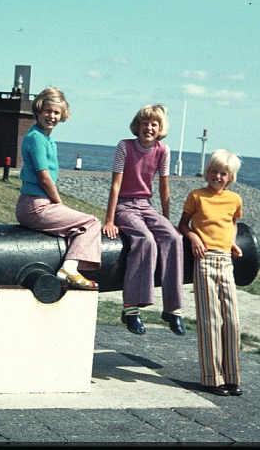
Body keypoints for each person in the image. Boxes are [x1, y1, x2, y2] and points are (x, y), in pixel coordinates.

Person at [103, 105, 185, 336]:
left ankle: (173, 309)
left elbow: (164, 188)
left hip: (146, 206)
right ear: (137, 126)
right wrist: (110, 219)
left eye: (154, 124)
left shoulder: (163, 151)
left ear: (160, 129)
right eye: (145, 123)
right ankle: (132, 308)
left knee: (173, 238)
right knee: (145, 240)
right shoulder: (125, 147)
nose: (149, 128)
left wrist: (167, 221)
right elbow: (116, 185)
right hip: (125, 206)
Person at [15, 87, 101, 290]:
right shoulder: (36, 138)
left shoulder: (45, 138)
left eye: (56, 112)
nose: (52, 116)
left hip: (35, 203)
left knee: (80, 224)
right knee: (91, 221)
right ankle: (69, 269)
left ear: (62, 115)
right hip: (36, 205)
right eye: (48, 111)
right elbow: (44, 178)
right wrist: (59, 202)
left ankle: (70, 266)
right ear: (38, 110)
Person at [178, 148, 244, 397]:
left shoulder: (235, 200)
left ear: (230, 177)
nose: (217, 176)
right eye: (213, 171)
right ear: (207, 172)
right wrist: (193, 236)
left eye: (223, 173)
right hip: (204, 259)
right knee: (211, 320)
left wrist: (232, 243)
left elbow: (232, 224)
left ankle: (232, 376)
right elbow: (183, 224)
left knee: (232, 319)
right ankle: (211, 377)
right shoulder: (196, 196)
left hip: (225, 260)